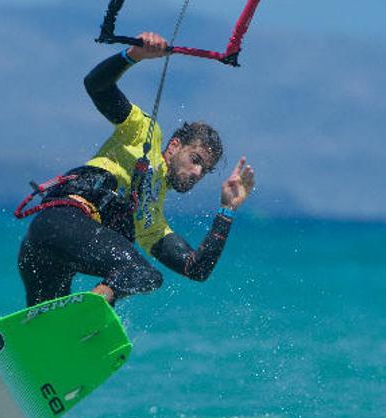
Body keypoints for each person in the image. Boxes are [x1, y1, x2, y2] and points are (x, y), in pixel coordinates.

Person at [17, 32, 255, 307]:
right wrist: (133, 56)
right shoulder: (143, 131)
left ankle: (60, 330)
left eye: (206, 171)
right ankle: (94, 306)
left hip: (45, 251)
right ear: (175, 145)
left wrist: (227, 210)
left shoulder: (152, 221)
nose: (197, 173)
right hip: (60, 221)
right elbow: (96, 85)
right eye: (196, 160)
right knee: (140, 273)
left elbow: (196, 269)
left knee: (48, 329)